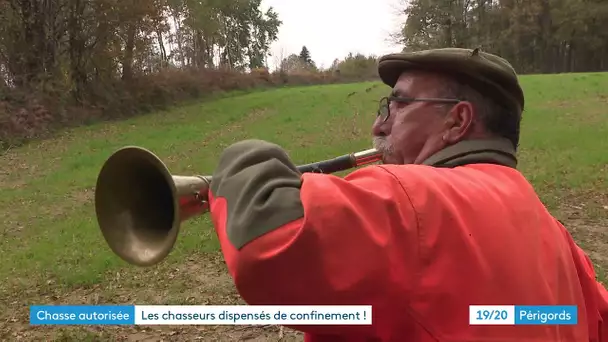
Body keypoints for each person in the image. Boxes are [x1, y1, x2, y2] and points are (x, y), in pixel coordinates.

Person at [206, 47, 608, 342]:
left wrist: (243, 162)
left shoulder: (413, 200)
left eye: (397, 104)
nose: (378, 126)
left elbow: (269, 237)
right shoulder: (555, 234)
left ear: (458, 120)